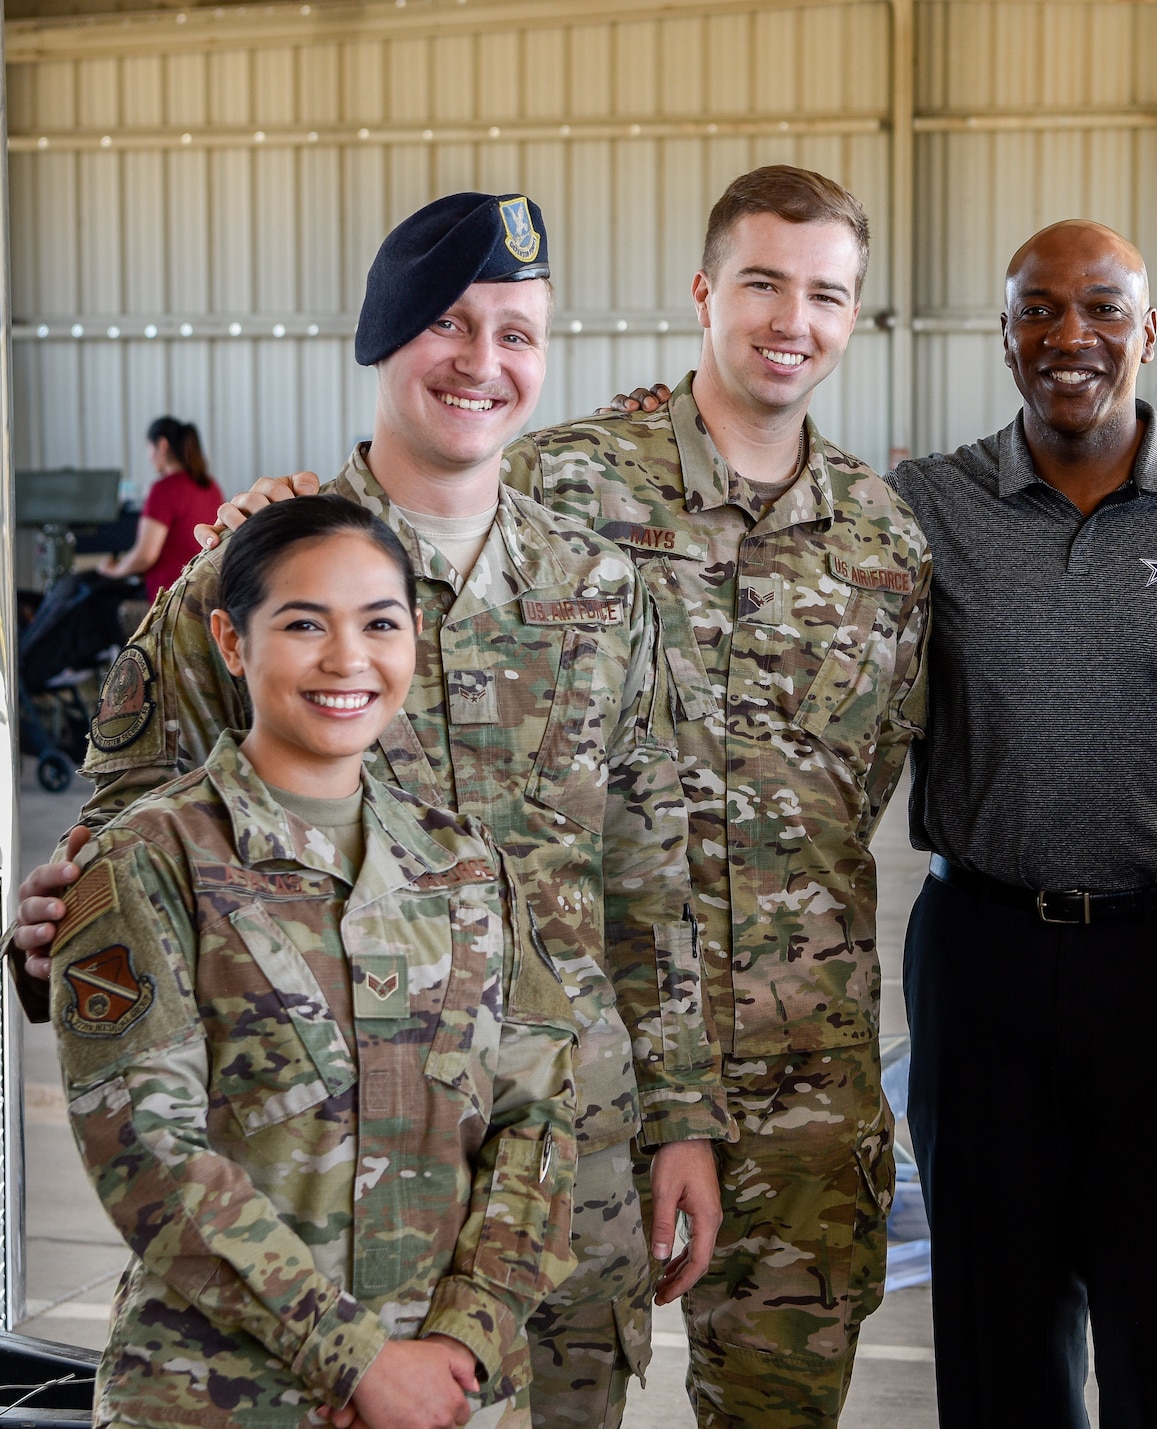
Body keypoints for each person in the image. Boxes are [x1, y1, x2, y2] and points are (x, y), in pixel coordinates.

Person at [185, 166, 927, 1429]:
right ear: (704, 292)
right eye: (758, 282)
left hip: (762, 1078)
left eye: (823, 293)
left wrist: (676, 1103)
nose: (788, 319)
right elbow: (414, 498)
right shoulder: (565, 486)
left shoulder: (886, 543)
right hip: (424, 1109)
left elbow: (838, 787)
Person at [9, 193, 700, 1429]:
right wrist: (44, 933)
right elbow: (109, 850)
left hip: (558, 1165)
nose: (482, 364)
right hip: (299, 1204)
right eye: (445, 324)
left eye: (517, 332)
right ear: (383, 341)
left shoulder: (600, 589)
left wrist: (684, 1119)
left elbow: (650, 873)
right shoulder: (248, 576)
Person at [884, 219, 1157, 1429]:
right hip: (982, 954)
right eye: (1038, 310)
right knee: (993, 1327)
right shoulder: (922, 510)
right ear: (1004, 332)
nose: (1070, 337)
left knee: (1154, 1329)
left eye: (1103, 309)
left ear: (1148, 330)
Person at [51, 494, 578, 1429]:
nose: (348, 659)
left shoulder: (465, 864)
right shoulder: (147, 858)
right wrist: (357, 1360)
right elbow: (151, 1157)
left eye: (379, 623)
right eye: (303, 624)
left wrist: (462, 1342)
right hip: (223, 1398)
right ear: (229, 638)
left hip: (451, 1399)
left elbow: (538, 1118)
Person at [102, 416, 225, 603]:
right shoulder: (211, 487)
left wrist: (113, 569)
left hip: (169, 597)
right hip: (208, 593)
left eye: (149, 448)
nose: (149, 455)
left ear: (162, 445)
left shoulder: (164, 489)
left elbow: (145, 556)